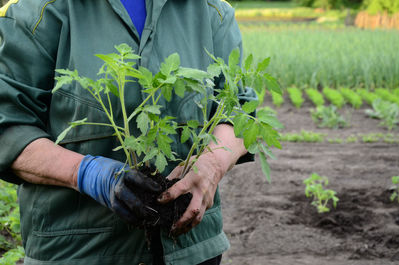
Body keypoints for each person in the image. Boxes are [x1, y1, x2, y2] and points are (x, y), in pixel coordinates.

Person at [0, 0, 256, 264]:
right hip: (80, 251)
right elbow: (8, 127)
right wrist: (86, 173)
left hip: (189, 248)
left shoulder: (210, 9)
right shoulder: (38, 10)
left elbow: (241, 113)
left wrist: (212, 165)